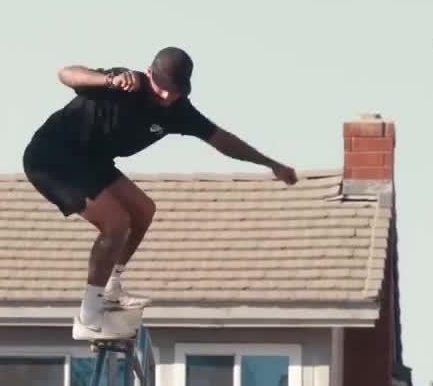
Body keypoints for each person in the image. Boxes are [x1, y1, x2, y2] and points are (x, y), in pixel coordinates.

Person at [22, 46, 299, 341]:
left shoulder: (179, 111)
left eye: (174, 91)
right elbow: (66, 74)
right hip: (52, 157)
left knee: (143, 210)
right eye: (161, 87)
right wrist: (108, 80)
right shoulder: (125, 83)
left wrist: (270, 163)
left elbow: (223, 140)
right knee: (116, 223)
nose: (166, 96)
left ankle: (111, 287)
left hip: (92, 161)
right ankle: (88, 317)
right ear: (149, 73)